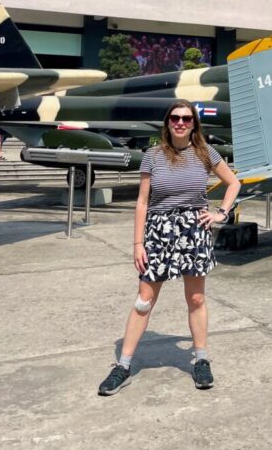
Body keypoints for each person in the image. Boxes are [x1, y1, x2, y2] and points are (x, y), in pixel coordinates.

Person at [98, 100, 240, 396]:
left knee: (197, 298)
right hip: (159, 231)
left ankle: (200, 359)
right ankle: (123, 365)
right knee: (144, 300)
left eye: (186, 119)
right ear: (167, 123)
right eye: (175, 118)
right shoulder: (153, 156)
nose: (180, 123)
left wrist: (221, 214)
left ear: (194, 124)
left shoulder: (205, 153)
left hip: (194, 229)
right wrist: (138, 243)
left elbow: (233, 183)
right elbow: (142, 202)